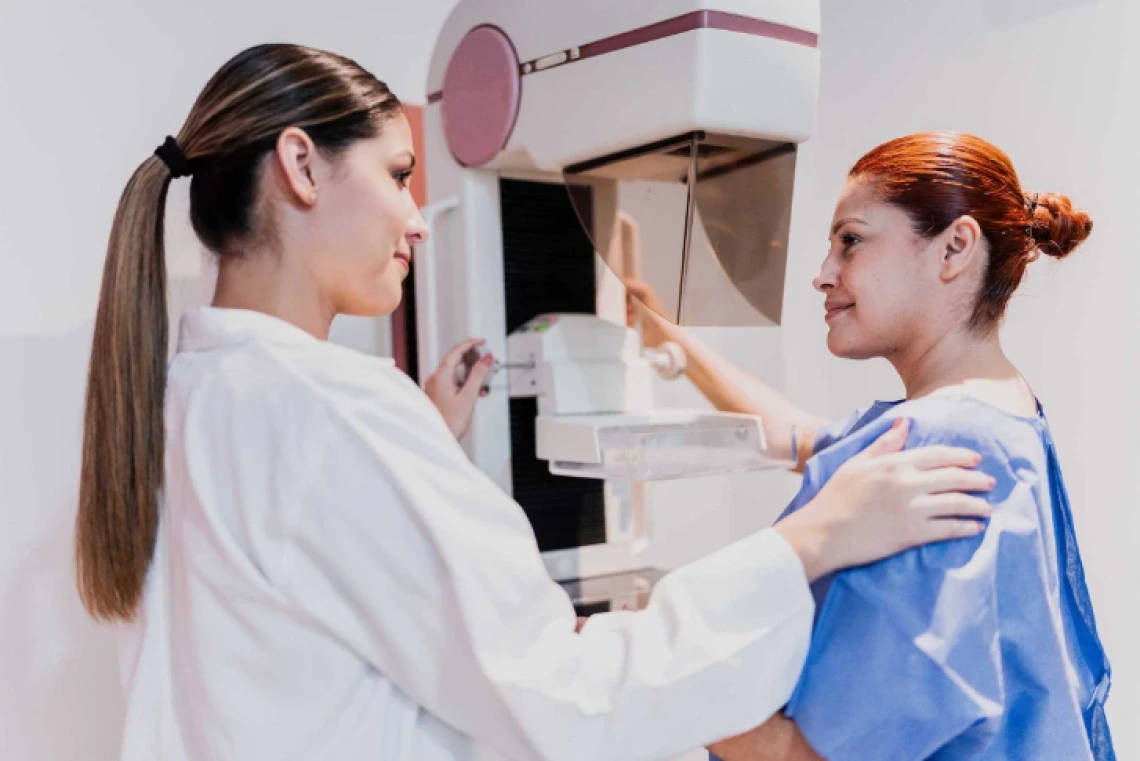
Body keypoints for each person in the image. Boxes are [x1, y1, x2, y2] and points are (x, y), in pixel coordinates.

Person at [74, 46, 996, 761]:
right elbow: (558, 695)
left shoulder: (178, 395)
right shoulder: (332, 410)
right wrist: (807, 542)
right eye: (399, 175)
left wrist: (426, 440)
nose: (415, 216)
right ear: (302, 166)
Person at [657, 133, 1112, 760]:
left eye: (851, 241)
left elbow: (820, 756)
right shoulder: (1000, 411)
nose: (823, 275)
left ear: (955, 247)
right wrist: (667, 339)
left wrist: (647, 675)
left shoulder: (941, 440)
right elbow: (800, 437)